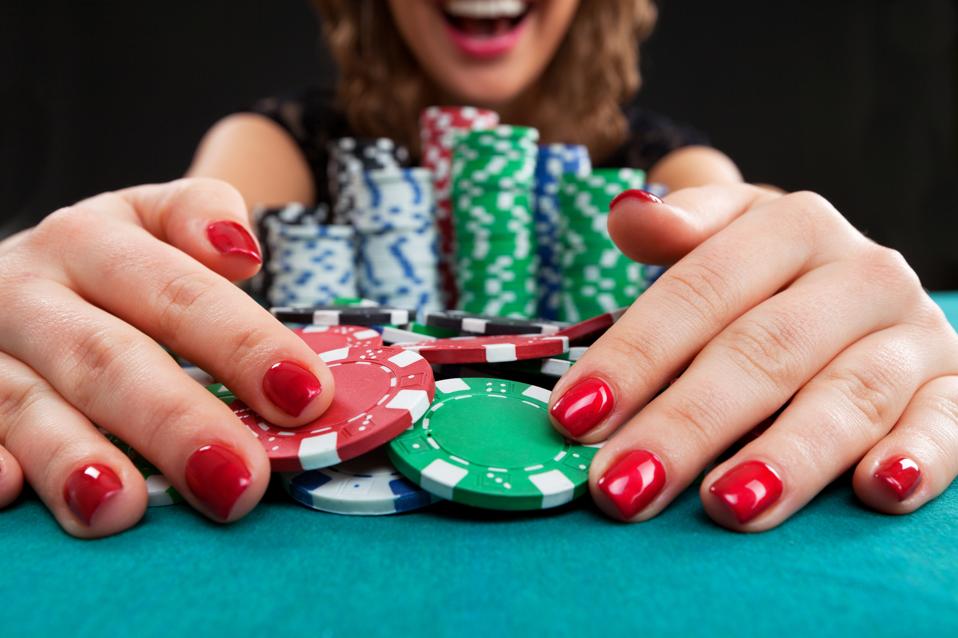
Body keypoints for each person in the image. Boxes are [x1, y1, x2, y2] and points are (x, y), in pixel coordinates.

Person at [0, 0, 955, 538]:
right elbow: (167, 272)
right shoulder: (278, 146)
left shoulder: (666, 174)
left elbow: (760, 271)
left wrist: (845, 308)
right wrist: (59, 287)